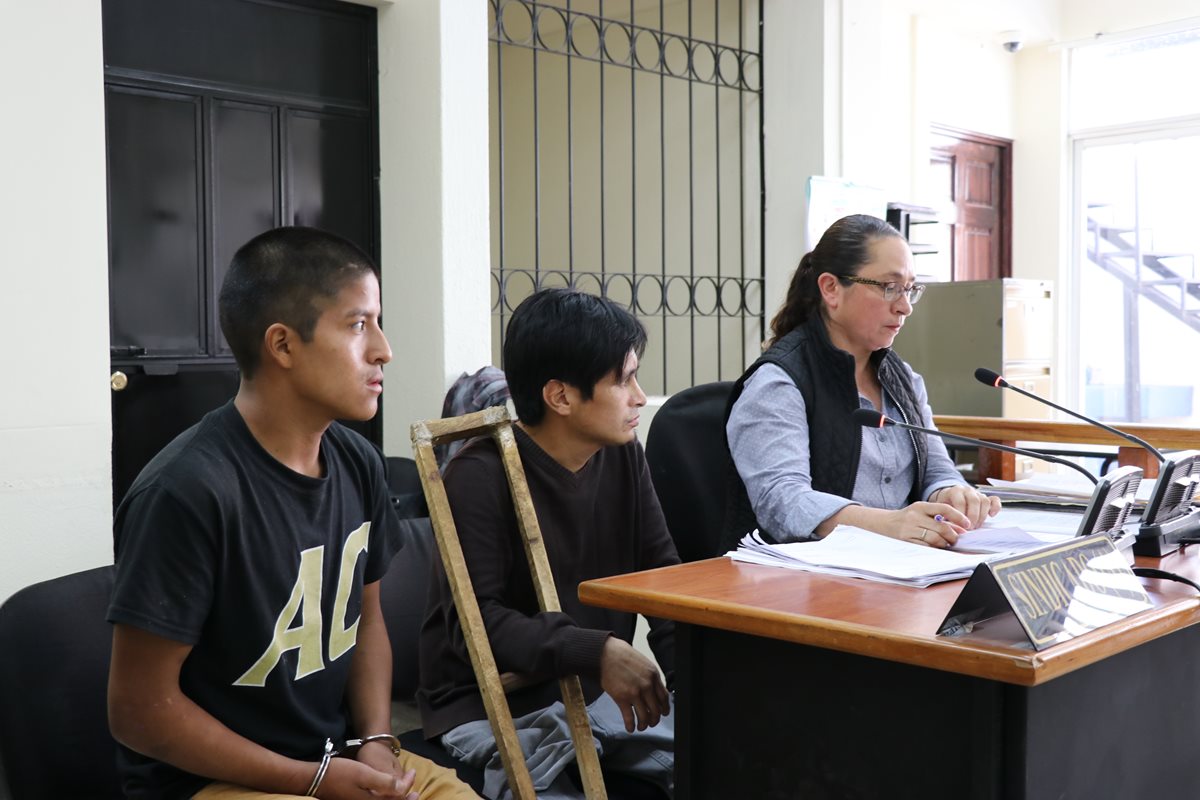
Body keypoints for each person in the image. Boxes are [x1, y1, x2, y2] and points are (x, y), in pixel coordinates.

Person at [106, 227, 475, 800]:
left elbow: (367, 620)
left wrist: (376, 737)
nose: (383, 348)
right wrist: (315, 780)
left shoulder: (357, 462)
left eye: (378, 322)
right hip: (215, 783)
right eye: (358, 325)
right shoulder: (187, 492)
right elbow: (138, 711)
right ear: (282, 346)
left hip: (330, 761)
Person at [417, 288, 680, 800]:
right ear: (560, 396)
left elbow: (661, 579)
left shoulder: (622, 455)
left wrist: (686, 682)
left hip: (591, 697)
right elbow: (480, 626)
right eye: (624, 380)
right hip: (495, 706)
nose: (640, 397)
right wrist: (596, 650)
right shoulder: (479, 474)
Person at [724, 213, 1001, 550]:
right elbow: (783, 502)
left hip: (902, 569)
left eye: (910, 290)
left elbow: (937, 470)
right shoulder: (779, 383)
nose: (904, 307)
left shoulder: (904, 380)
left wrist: (952, 494)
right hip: (806, 580)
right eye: (889, 287)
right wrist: (890, 524)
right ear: (831, 289)